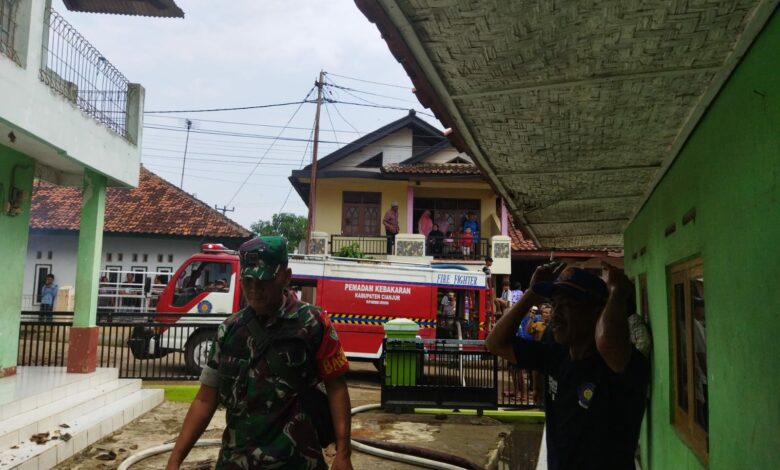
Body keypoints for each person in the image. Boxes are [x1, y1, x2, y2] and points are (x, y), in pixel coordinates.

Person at [166, 236, 354, 470]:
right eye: (248, 280)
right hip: (236, 462)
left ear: (286, 277)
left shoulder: (314, 323)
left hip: (295, 462)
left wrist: (343, 454)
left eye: (264, 281)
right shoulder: (230, 330)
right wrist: (174, 461)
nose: (254, 290)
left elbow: (337, 388)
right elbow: (205, 399)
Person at [487, 263, 649, 470]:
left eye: (566, 305)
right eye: (554, 304)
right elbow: (495, 343)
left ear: (596, 314)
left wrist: (616, 293)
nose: (555, 314)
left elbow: (608, 343)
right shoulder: (557, 355)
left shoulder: (621, 365)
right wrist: (532, 293)